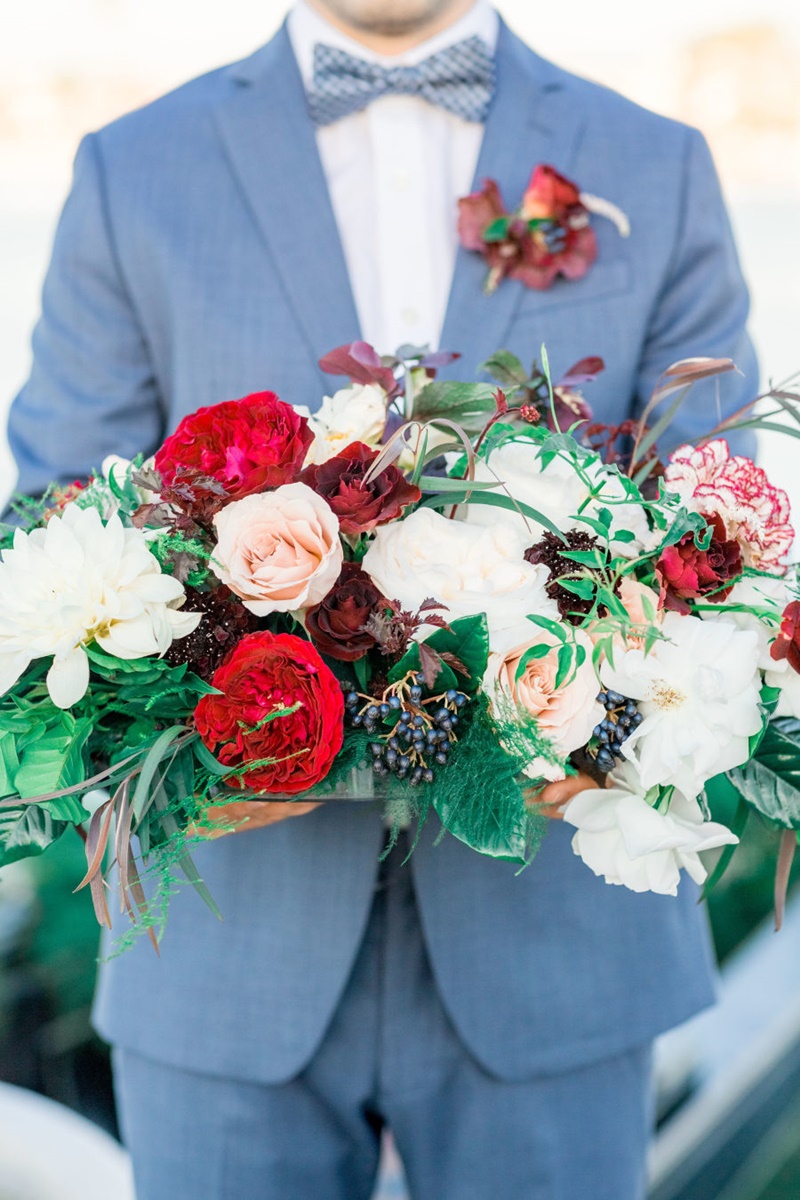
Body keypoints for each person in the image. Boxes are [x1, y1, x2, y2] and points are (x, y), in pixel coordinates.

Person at [6, 1, 757, 1197]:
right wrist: (173, 759)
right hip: (223, 945)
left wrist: (618, 725)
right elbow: (52, 524)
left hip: (556, 937)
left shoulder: (650, 166)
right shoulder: (131, 168)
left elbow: (715, 519)